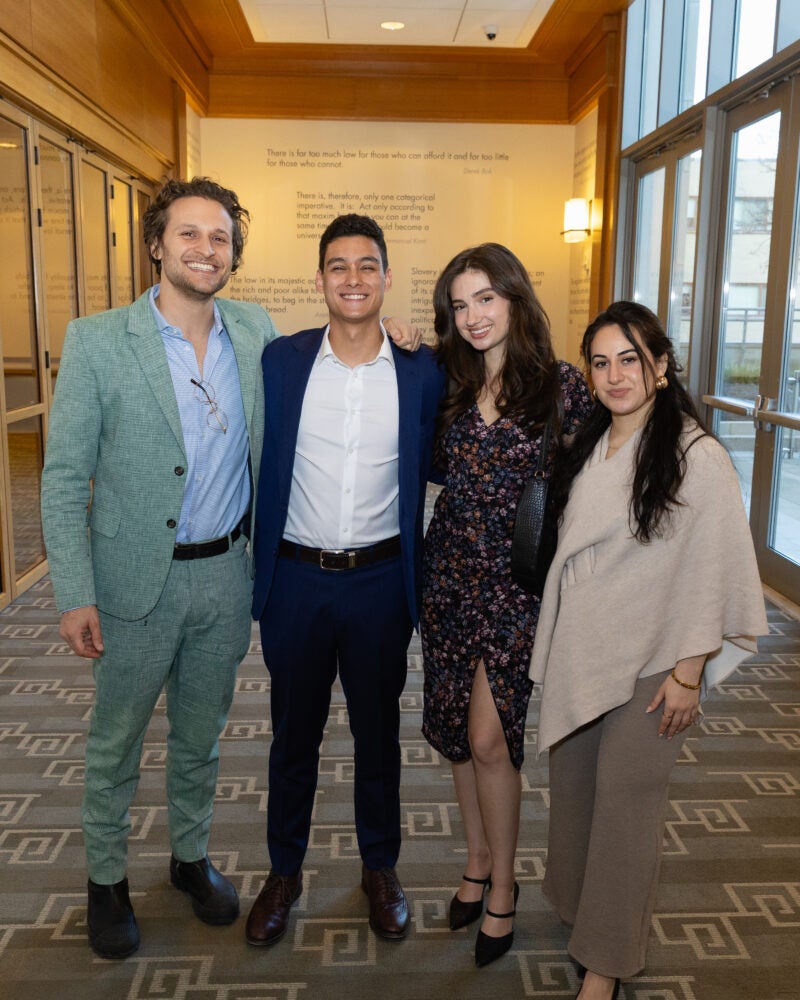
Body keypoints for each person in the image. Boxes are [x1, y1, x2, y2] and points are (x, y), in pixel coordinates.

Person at [39, 179, 416, 961]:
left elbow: (347, 358)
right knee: (118, 739)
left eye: (219, 238)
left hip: (228, 577)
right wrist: (74, 591)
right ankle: (105, 879)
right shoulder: (98, 340)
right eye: (190, 235)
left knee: (203, 736)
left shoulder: (257, 335)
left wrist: (402, 337)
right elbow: (62, 471)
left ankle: (188, 857)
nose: (205, 249)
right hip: (135, 581)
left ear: (234, 253)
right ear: (157, 243)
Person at [529, 301, 769, 1000]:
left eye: (629, 359)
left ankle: (605, 965)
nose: (615, 375)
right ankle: (582, 916)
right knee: (575, 795)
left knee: (628, 809)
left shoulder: (698, 456)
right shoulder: (593, 443)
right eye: (600, 362)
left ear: (660, 366)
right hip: (585, 652)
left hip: (654, 664)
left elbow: (714, 564)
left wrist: (689, 673)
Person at [245, 214, 445, 947]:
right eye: (339, 266)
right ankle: (284, 870)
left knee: (376, 736)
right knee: (291, 737)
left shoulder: (423, 369)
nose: (353, 279)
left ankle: (379, 868)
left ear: (388, 277)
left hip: (380, 582)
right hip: (296, 580)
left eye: (367, 266)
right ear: (320, 278)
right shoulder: (281, 361)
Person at [420, 243, 592, 967]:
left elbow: (598, 485)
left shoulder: (561, 388)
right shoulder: (445, 384)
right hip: (450, 580)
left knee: (493, 738)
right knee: (459, 733)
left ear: (516, 298)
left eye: (485, 298)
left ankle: (505, 888)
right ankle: (477, 859)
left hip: (519, 588)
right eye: (459, 306)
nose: (473, 317)